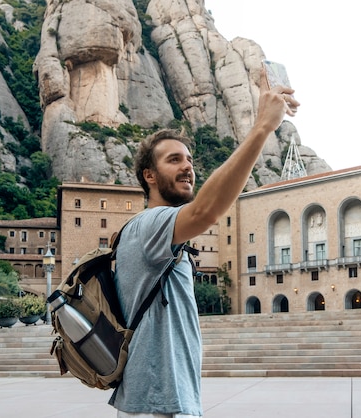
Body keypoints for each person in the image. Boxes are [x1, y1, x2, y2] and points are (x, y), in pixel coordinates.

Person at [109, 69, 299, 417]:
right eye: (174, 160)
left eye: (190, 160)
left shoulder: (163, 235)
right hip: (155, 403)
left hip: (167, 399)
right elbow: (207, 211)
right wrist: (262, 128)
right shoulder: (148, 225)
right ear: (148, 176)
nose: (187, 168)